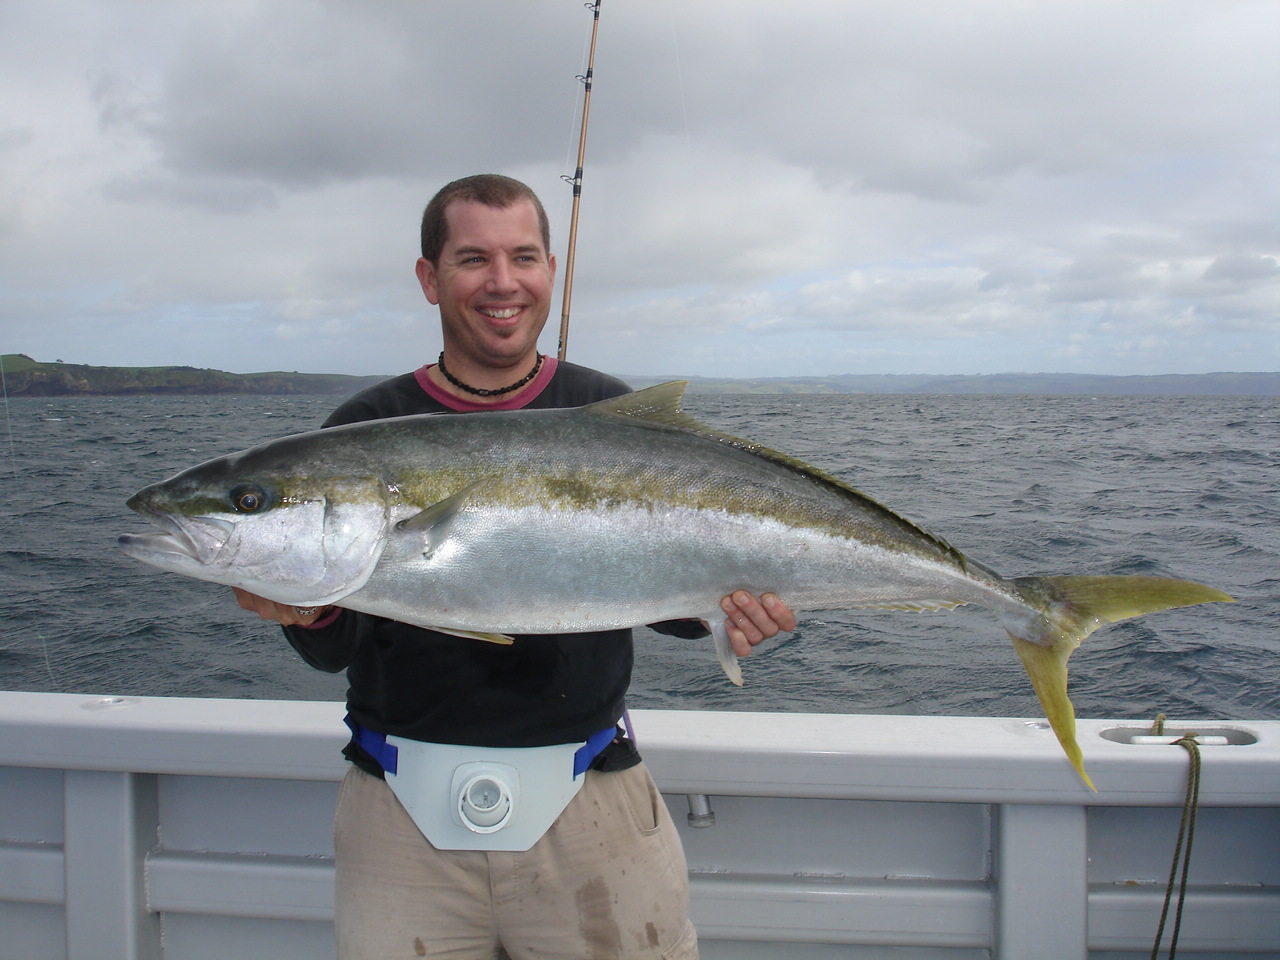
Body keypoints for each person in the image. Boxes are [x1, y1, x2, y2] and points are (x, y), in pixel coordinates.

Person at [235, 174, 795, 959]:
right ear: (430, 278)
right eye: (473, 259)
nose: (502, 282)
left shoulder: (602, 404)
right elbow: (335, 644)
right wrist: (304, 607)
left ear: (550, 272)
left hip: (593, 800)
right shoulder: (366, 427)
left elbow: (655, 600)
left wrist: (728, 609)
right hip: (399, 814)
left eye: (523, 257)